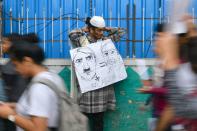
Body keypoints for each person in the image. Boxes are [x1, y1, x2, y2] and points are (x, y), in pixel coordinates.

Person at [69, 16, 125, 131]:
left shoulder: (105, 41)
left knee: (98, 122)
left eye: (102, 30)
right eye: (98, 30)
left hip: (102, 89)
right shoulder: (82, 40)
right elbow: (71, 34)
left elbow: (121, 31)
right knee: (82, 121)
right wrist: (85, 29)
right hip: (87, 89)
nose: (100, 33)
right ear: (91, 29)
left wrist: (106, 29)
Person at [0, 40, 66, 131]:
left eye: (16, 65)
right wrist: (17, 106)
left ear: (27, 61)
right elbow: (46, 108)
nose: (15, 70)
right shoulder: (53, 77)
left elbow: (38, 129)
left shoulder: (39, 87)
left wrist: (10, 115)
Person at [0, 33, 39, 131]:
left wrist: (11, 114)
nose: (2, 46)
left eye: (4, 43)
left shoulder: (11, 67)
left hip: (15, 114)